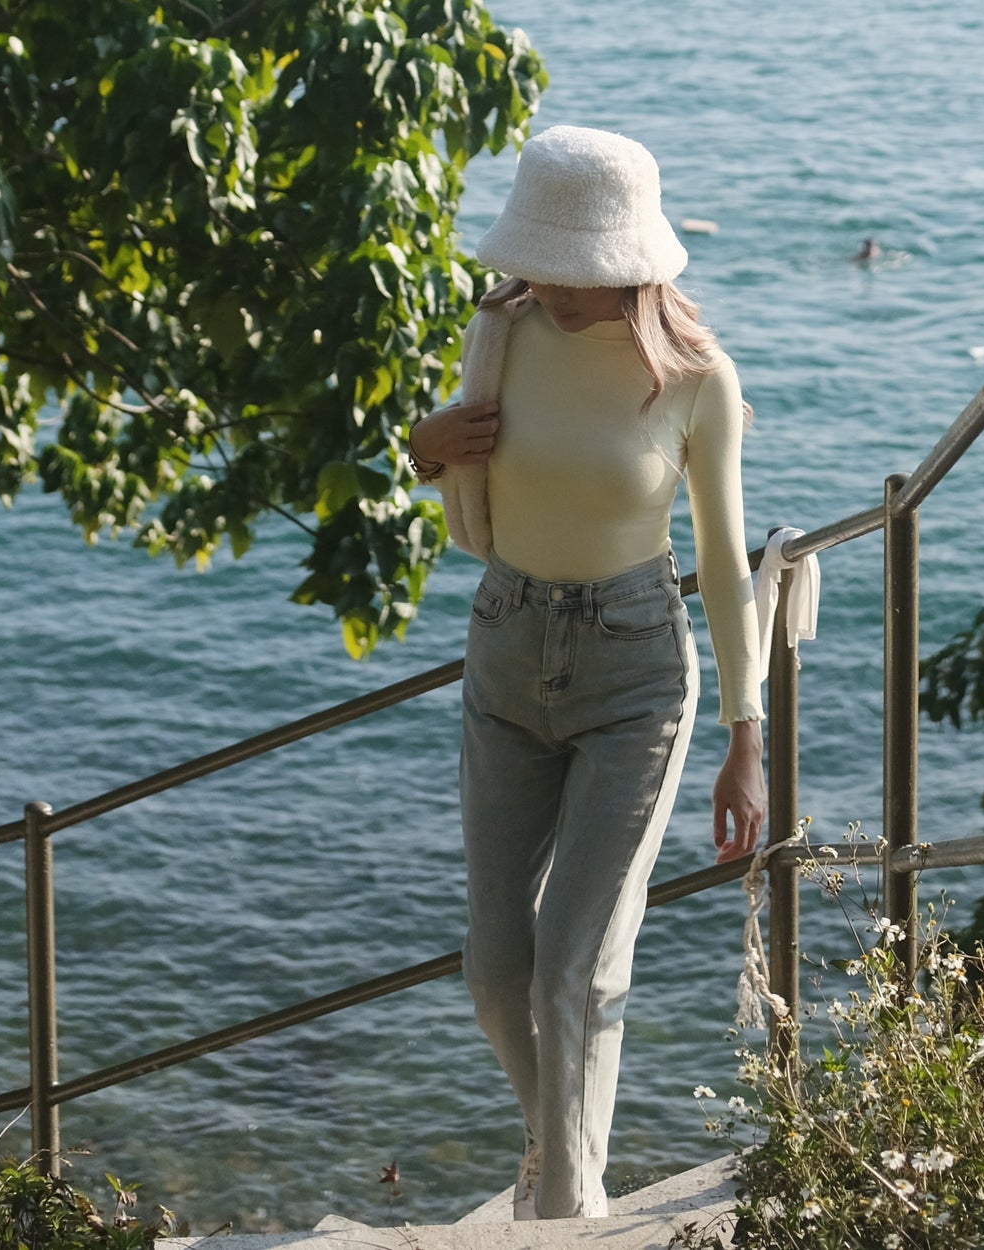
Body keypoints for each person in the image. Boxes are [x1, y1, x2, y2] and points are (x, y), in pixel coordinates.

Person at [407, 125, 766, 1220]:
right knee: (495, 974)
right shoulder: (498, 336)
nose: (555, 288)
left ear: (632, 257)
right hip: (505, 649)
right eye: (543, 261)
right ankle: (557, 1150)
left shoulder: (696, 379)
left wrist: (744, 741)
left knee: (574, 970)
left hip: (635, 674)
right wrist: (423, 449)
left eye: (579, 266)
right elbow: (449, 475)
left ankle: (563, 1206)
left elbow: (721, 568)